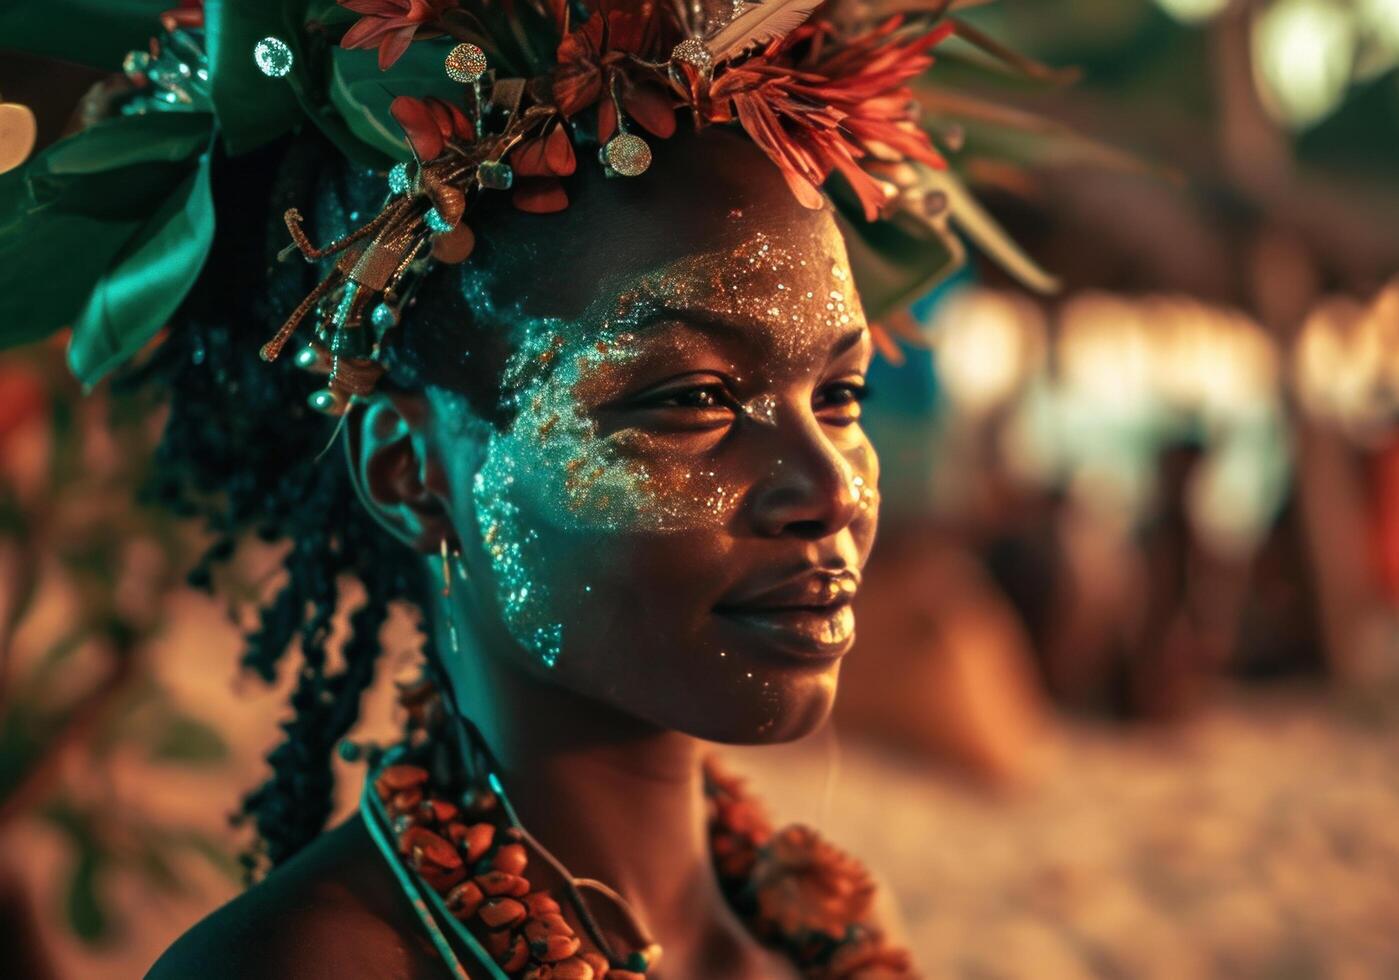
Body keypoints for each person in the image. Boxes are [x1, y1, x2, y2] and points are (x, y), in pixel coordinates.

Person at [0, 1, 1050, 975]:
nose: (828, 488)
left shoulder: (826, 927)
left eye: (840, 393)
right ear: (411, 474)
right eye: (693, 399)